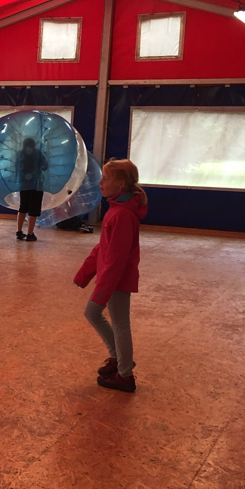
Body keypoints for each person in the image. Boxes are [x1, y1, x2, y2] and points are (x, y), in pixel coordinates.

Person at [74, 158, 148, 393]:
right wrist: (84, 274)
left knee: (118, 324)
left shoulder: (123, 215)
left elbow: (116, 260)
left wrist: (102, 291)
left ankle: (125, 375)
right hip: (111, 280)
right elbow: (103, 248)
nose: (101, 182)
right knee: (98, 316)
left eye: (105, 179)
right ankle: (120, 360)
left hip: (117, 281)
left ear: (121, 184)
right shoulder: (116, 210)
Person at [15, 137, 48, 242]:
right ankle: (30, 234)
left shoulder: (20, 154)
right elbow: (45, 166)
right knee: (33, 210)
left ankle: (19, 231)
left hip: (23, 184)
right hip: (36, 185)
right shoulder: (37, 154)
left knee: (22, 207)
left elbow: (16, 168)